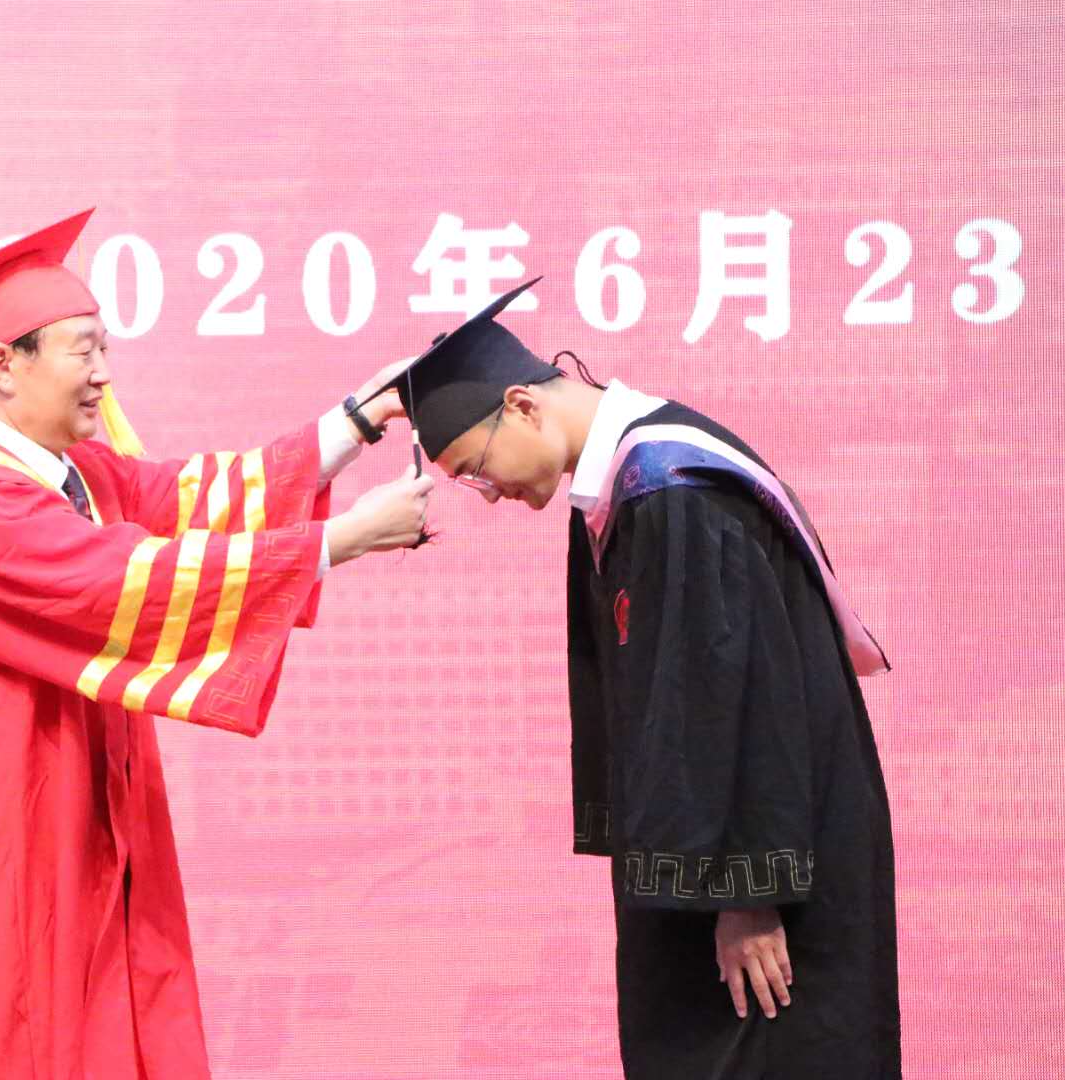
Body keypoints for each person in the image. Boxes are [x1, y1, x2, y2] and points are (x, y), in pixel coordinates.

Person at [0, 208, 431, 1079]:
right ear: (4, 365)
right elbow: (130, 581)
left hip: (62, 812)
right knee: (11, 1042)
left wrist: (358, 419)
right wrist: (337, 540)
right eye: (83, 351)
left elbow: (189, 498)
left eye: (105, 349)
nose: (104, 375)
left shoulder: (67, 471)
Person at [372, 278, 900, 1079]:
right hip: (720, 867)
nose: (490, 494)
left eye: (477, 469)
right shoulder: (622, 485)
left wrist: (745, 893)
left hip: (766, 875)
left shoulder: (674, 493)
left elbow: (738, 697)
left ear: (522, 405)